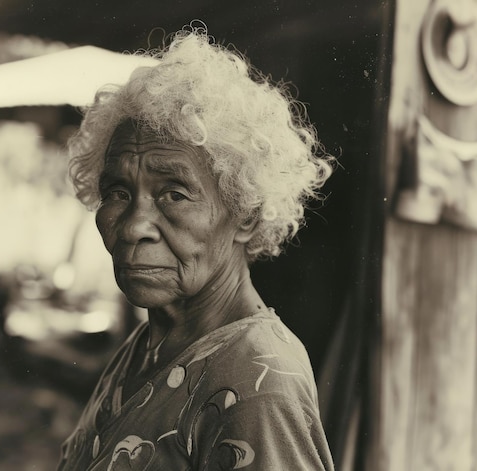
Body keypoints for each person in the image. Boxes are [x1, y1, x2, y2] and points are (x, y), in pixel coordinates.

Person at [57, 28, 335, 471]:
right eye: (118, 192)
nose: (133, 228)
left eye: (174, 194)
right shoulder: (153, 343)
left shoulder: (256, 382)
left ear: (245, 214)